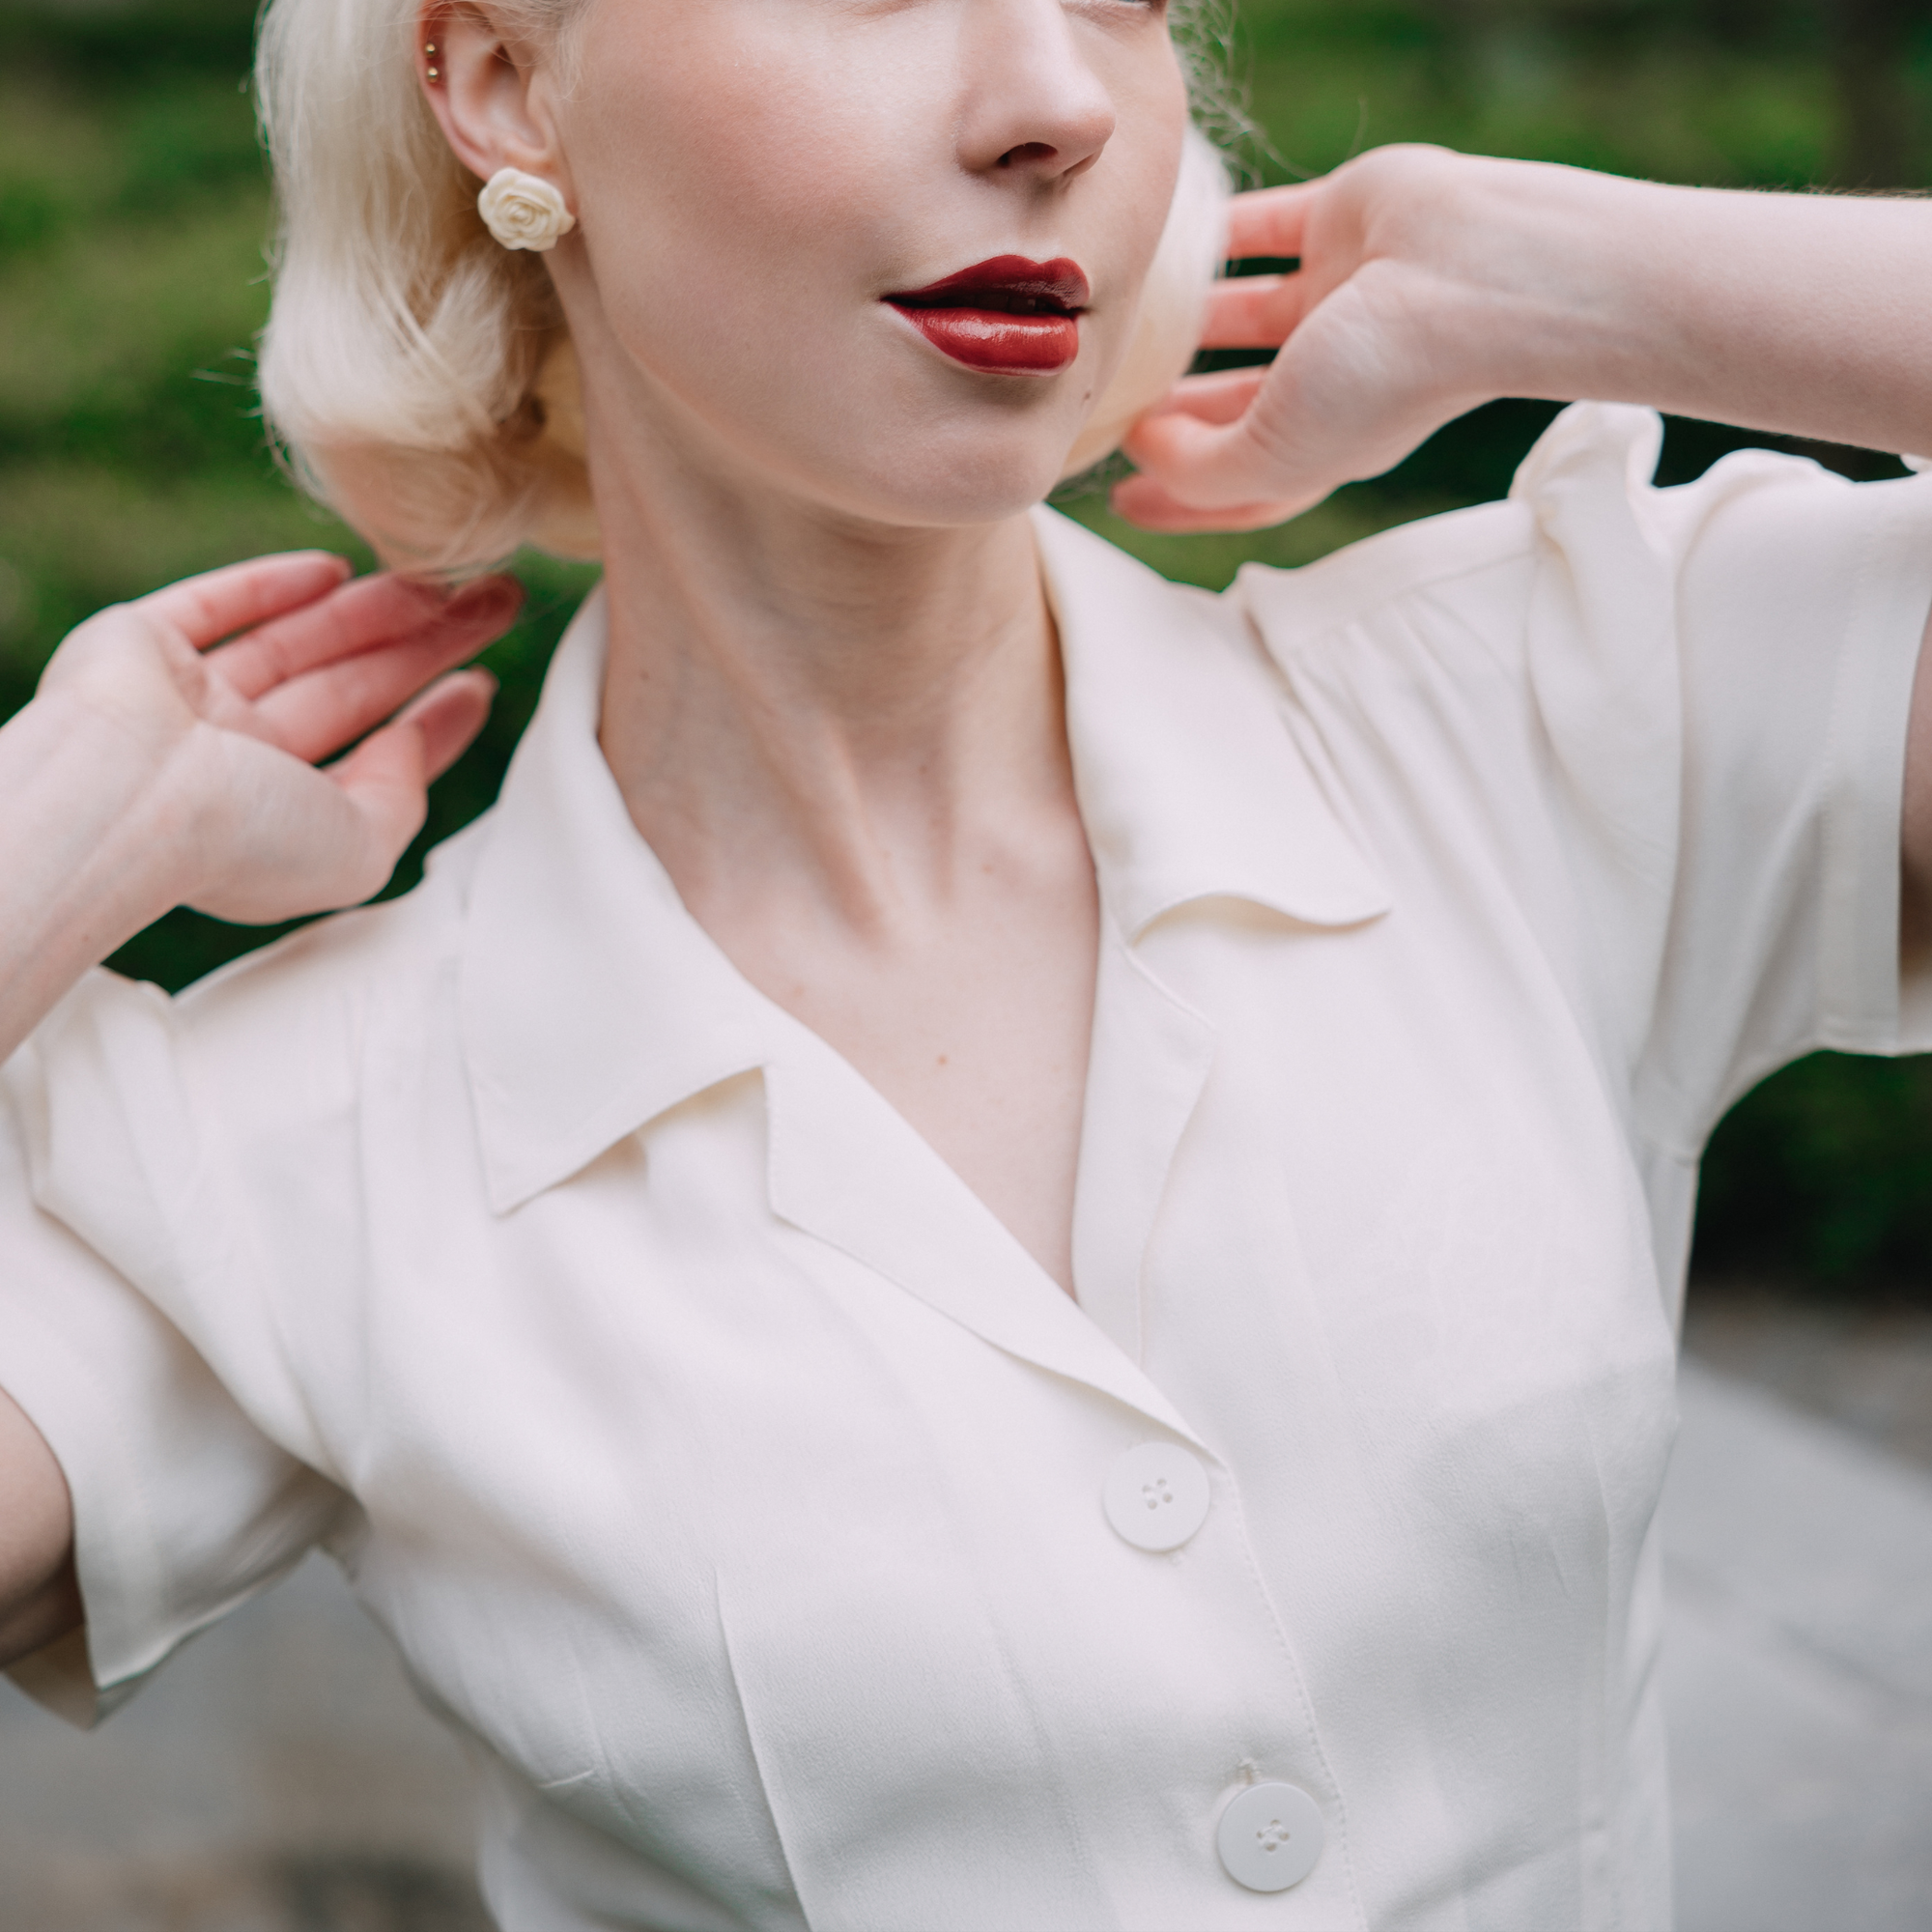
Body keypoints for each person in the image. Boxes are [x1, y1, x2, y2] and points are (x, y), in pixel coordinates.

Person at [1, 0, 1928, 1924]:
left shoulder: (1529, 715)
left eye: (1126, 4)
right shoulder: (292, 1142)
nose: (1054, 101)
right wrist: (34, 848)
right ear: (506, 83)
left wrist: (1586, 272)